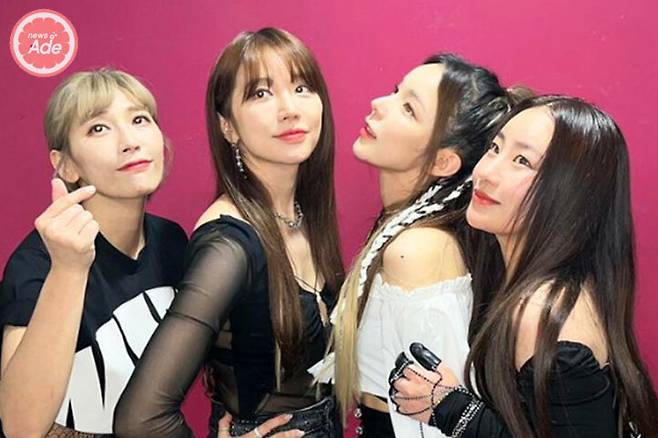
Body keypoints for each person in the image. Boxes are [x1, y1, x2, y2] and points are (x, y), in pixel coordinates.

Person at [113, 28, 344, 438]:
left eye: (301, 87)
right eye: (261, 93)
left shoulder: (303, 214)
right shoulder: (229, 244)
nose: (290, 109)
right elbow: (140, 419)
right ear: (228, 127)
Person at [389, 95, 658, 437]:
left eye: (522, 161)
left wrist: (453, 409)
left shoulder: (544, 313)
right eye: (495, 148)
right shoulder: (542, 284)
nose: (486, 173)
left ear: (571, 193)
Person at [329, 54, 527, 438]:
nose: (379, 104)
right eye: (395, 91)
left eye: (409, 109)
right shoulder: (407, 230)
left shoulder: (418, 250)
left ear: (443, 161)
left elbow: (437, 418)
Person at [0, 68, 188, 437]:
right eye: (98, 128)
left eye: (139, 119)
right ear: (66, 164)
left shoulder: (171, 241)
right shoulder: (38, 262)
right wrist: (68, 270)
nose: (129, 141)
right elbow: (21, 427)